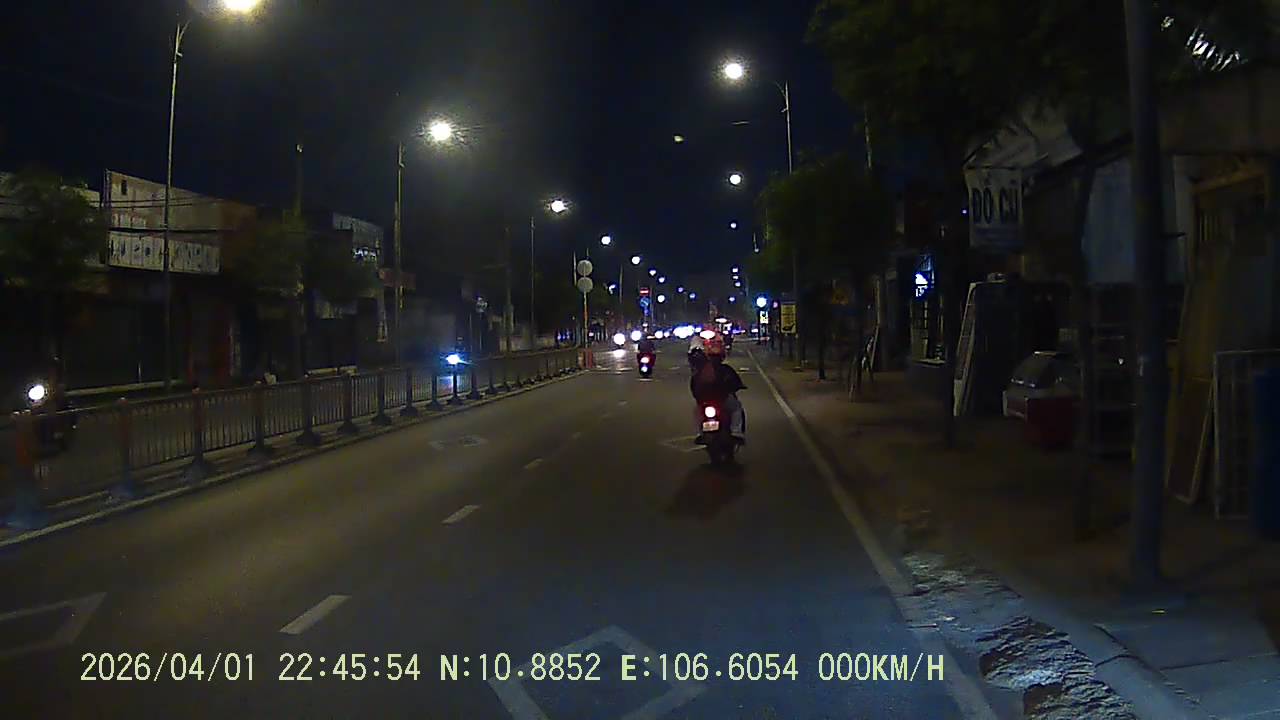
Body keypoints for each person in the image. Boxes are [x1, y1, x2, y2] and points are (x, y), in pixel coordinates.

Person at [690, 332, 746, 442]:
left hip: (706, 400)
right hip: (721, 399)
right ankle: (736, 432)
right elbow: (735, 382)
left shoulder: (701, 370)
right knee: (736, 408)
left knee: (697, 411)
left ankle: (699, 433)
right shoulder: (724, 369)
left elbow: (693, 385)